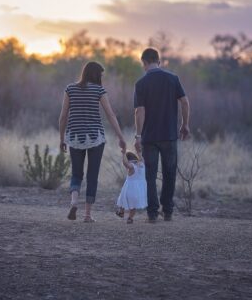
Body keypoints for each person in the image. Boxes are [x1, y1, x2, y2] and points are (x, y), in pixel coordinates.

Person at [59, 61, 126, 223]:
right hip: (95, 137)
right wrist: (120, 137)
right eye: (101, 75)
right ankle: (87, 215)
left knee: (76, 173)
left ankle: (74, 202)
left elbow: (63, 116)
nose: (102, 78)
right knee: (92, 175)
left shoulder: (70, 89)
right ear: (96, 74)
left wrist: (62, 138)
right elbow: (110, 115)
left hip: (74, 136)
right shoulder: (99, 90)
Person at [134, 48, 190, 223]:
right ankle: (167, 211)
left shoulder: (141, 83)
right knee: (169, 173)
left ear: (144, 62)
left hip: (149, 137)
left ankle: (152, 213)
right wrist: (185, 124)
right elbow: (185, 102)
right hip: (169, 135)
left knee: (149, 175)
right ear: (158, 61)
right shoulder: (173, 79)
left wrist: (138, 135)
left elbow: (139, 112)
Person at [116, 150, 147, 224]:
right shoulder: (142, 164)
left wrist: (123, 154)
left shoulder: (132, 166)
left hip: (130, 189)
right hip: (140, 190)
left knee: (123, 199)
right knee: (133, 205)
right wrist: (139, 152)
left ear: (128, 160)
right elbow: (141, 158)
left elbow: (125, 163)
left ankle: (121, 212)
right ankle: (130, 218)